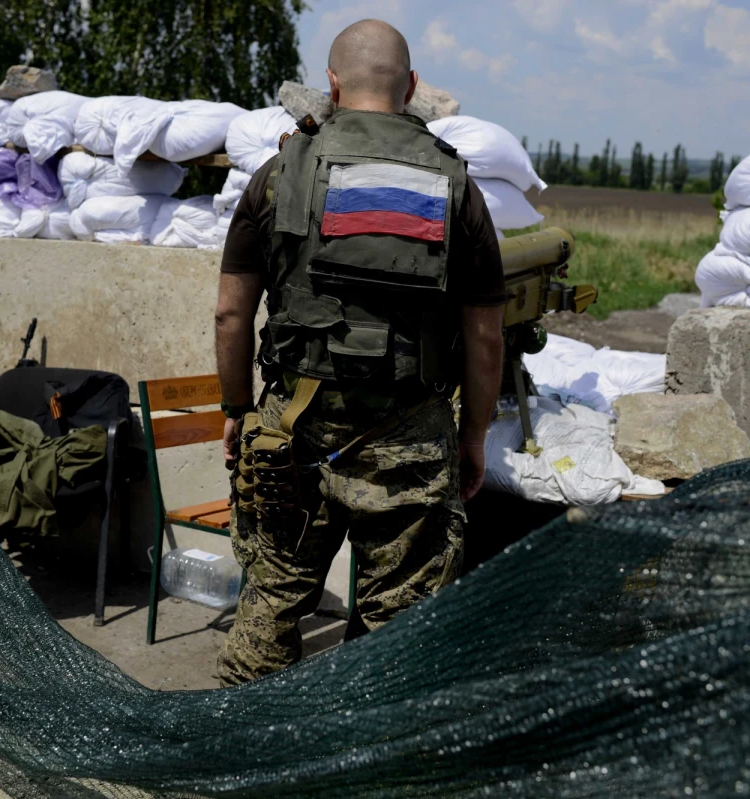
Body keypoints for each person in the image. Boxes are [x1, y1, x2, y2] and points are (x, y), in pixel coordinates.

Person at [214, 19, 506, 686]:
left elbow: (231, 311)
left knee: (271, 604)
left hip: (291, 434)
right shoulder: (457, 187)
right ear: (408, 88)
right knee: (396, 638)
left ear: (334, 84)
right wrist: (474, 435)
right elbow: (486, 337)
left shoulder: (276, 175)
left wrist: (235, 407)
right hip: (411, 441)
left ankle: (240, 760)